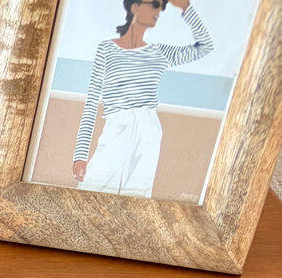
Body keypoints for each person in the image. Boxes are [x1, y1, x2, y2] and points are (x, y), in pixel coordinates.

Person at [72, 0, 213, 197]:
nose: (159, 10)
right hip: (116, 126)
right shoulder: (106, 49)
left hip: (148, 129)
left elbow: (205, 46)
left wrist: (186, 7)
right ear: (135, 7)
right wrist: (80, 155)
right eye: (154, 4)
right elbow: (92, 102)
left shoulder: (160, 52)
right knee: (90, 193)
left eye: (162, 6)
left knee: (136, 198)